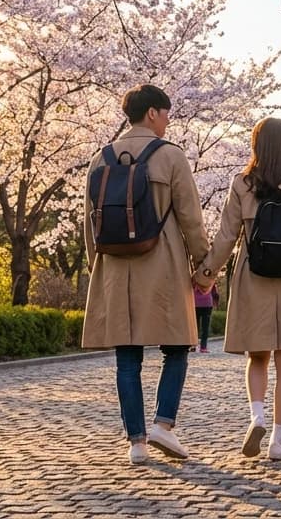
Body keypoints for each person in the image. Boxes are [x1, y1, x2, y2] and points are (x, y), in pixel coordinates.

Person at [81, 84, 209, 465]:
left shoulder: (99, 159)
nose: (168, 120)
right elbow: (190, 218)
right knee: (177, 348)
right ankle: (163, 425)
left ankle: (136, 442)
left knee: (127, 356)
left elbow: (90, 223)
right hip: (163, 263)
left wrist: (96, 266)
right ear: (151, 113)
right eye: (166, 112)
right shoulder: (170, 157)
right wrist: (204, 268)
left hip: (116, 268)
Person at [200, 117, 281, 461]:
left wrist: (206, 274)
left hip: (253, 275)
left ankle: (256, 415)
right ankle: (277, 440)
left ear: (257, 145)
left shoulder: (243, 184)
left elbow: (227, 235)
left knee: (257, 356)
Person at [193, 283, 219, 353]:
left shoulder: (195, 278)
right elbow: (215, 293)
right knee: (205, 327)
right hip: (207, 304)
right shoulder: (210, 278)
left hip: (195, 303)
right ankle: (203, 347)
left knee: (194, 327)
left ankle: (193, 346)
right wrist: (216, 303)